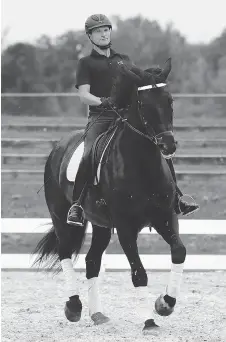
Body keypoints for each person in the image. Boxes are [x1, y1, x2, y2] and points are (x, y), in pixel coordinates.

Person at [67, 14, 199, 226]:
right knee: (89, 152)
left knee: (159, 147)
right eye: (98, 31)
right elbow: (84, 95)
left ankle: (177, 197)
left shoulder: (124, 60)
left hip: (126, 117)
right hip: (100, 117)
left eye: (106, 30)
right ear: (90, 36)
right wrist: (103, 101)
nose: (103, 34)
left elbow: (136, 84)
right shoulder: (86, 63)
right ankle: (77, 205)